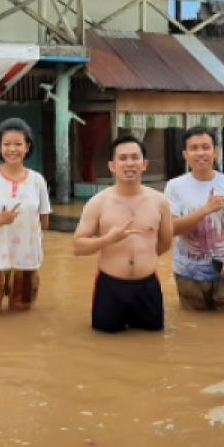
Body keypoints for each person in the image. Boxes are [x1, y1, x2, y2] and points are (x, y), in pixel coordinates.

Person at [74, 136, 174, 335]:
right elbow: (78, 246)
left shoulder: (160, 202)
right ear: (112, 165)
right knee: (105, 343)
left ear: (144, 164)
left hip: (148, 286)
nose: (129, 163)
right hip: (110, 287)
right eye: (123, 158)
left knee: (152, 344)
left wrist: (143, 260)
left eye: (135, 157)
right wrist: (107, 240)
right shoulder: (98, 203)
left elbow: (165, 243)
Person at [166, 127, 224, 312]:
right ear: (185, 154)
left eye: (206, 147)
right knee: (194, 331)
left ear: (215, 152)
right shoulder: (175, 186)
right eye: (194, 148)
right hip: (188, 274)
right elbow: (172, 228)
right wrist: (205, 210)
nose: (200, 153)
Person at [0, 119, 53, 317]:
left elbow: (44, 222)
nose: (12, 149)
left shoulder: (37, 180)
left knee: (21, 321)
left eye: (18, 144)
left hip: (26, 259)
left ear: (27, 147)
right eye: (6, 144)